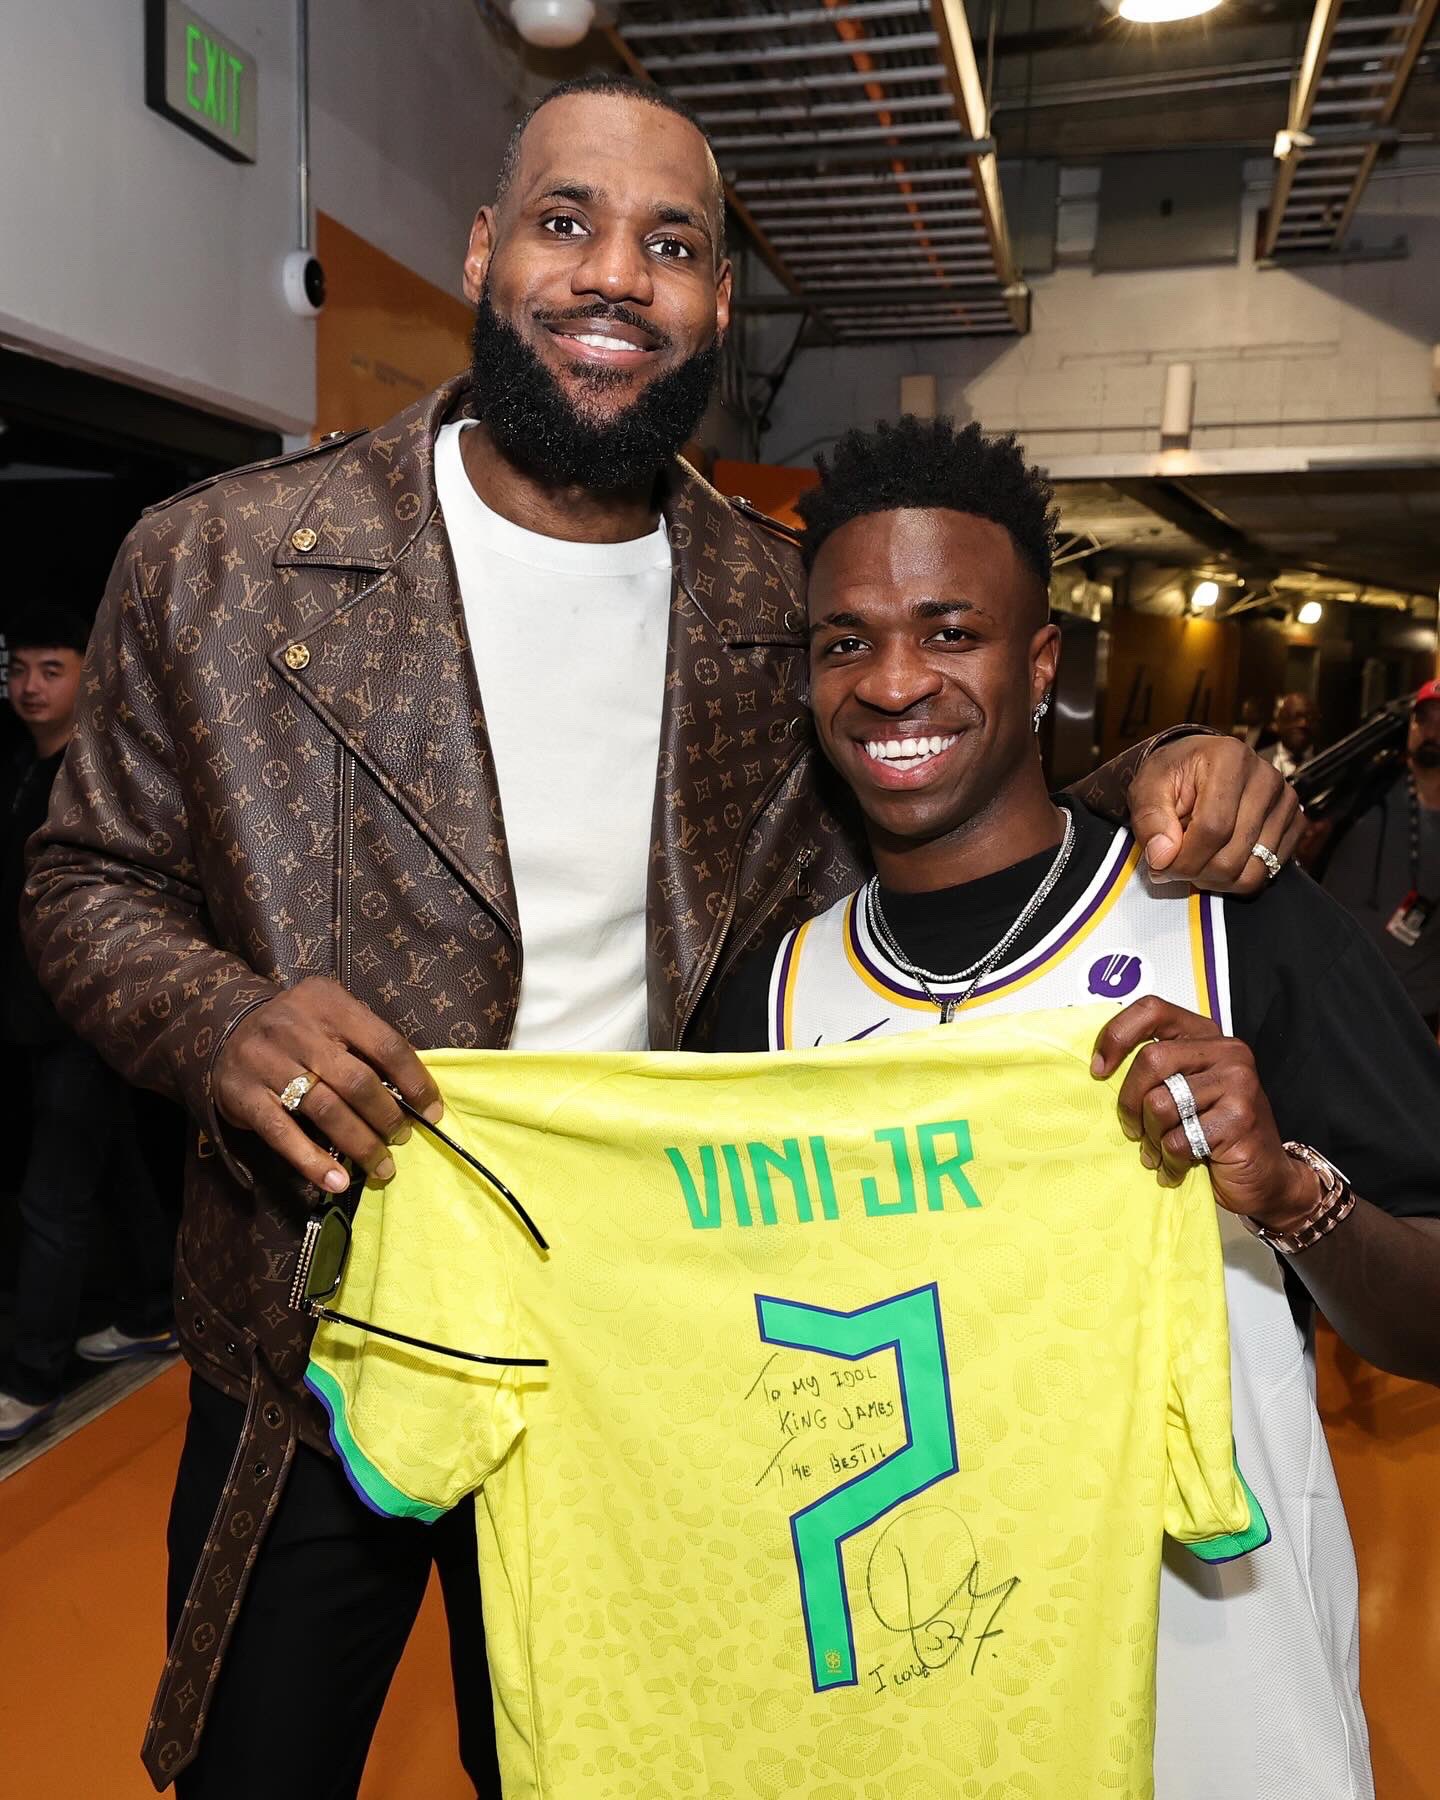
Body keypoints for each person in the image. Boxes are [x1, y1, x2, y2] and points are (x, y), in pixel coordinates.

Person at [21, 78, 1296, 1799]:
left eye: (672, 244)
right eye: (568, 223)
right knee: (260, 1767)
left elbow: (945, 787)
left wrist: (1169, 766)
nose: (615, 275)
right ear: (484, 253)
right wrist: (220, 1021)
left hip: (656, 1346)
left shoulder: (781, 602)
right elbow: (84, 881)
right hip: (317, 1332)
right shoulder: (227, 563)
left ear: (717, 305)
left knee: (622, 1762)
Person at [710, 416, 1440, 1800]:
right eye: (847, 641)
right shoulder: (771, 1003)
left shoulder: (1231, 929)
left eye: (951, 632)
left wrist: (1294, 1198)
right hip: (905, 1710)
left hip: (1217, 1707)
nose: (895, 682)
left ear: (1041, 664)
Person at [0, 607, 175, 1444]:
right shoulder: (23, 768)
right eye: (19, 670)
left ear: (88, 674)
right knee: (112, 1166)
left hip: (84, 1013)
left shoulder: (95, 775)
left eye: (51, 669)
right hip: (34, 1014)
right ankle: (153, 1309)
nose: (30, 687)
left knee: (54, 1197)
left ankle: (29, 1382)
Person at [1322, 678, 1440, 1034]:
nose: (1432, 732)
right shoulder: (1369, 784)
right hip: (1337, 987)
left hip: (1416, 1006)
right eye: (1423, 720)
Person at [1260, 689, 1318, 779]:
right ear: (1279, 722)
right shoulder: (1259, 760)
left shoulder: (1328, 760)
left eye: (1310, 718)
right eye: (1295, 716)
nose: (1303, 723)